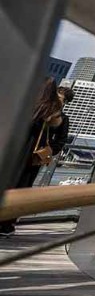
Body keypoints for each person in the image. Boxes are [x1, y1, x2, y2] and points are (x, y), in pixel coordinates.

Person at [2, 79, 72, 236]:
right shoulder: (41, 110)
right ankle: (6, 223)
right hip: (24, 154)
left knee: (19, 188)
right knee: (15, 187)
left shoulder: (57, 117)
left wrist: (48, 150)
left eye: (62, 99)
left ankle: (7, 223)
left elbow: (60, 141)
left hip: (28, 157)